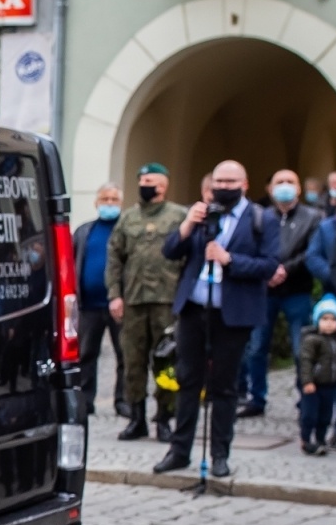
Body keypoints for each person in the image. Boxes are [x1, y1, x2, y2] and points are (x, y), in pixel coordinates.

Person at [154, 160, 282, 477]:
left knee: (224, 387)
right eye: (219, 182)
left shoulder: (262, 219)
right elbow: (170, 251)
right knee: (187, 380)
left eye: (230, 182)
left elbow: (269, 265)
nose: (223, 187)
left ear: (244, 185)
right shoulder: (201, 214)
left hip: (233, 314)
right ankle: (179, 451)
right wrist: (187, 225)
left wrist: (229, 259)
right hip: (194, 309)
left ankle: (220, 454)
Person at [108, 163, 187, 441]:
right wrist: (115, 295)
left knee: (166, 361)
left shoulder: (178, 216)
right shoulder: (128, 218)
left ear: (163, 185)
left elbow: (188, 257)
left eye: (149, 180)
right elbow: (115, 258)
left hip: (167, 301)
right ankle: (136, 417)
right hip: (134, 300)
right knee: (133, 361)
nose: (143, 184)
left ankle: (164, 417)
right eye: (141, 180)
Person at [238, 169, 320, 418]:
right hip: (264, 291)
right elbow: (250, 248)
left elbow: (311, 251)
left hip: (298, 290)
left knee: (300, 349)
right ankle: (256, 398)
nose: (285, 185)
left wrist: (284, 269)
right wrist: (267, 271)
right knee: (256, 347)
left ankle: (305, 398)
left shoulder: (312, 217)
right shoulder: (259, 216)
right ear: (270, 188)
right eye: (279, 182)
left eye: (290, 182)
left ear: (299, 188)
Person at [76, 184, 127, 417]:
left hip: (119, 304)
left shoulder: (126, 230)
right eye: (105, 199)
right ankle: (85, 400)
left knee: (124, 355)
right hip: (88, 305)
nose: (109, 203)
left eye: (114, 199)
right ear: (96, 203)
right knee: (86, 354)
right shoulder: (85, 231)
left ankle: (123, 401)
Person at [298, 296, 336, 455]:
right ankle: (306, 440)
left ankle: (320, 440)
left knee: (326, 415)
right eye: (325, 319)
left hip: (330, 384)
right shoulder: (311, 340)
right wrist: (307, 381)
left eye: (333, 319)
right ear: (317, 320)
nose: (329, 323)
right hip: (313, 385)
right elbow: (306, 362)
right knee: (310, 414)